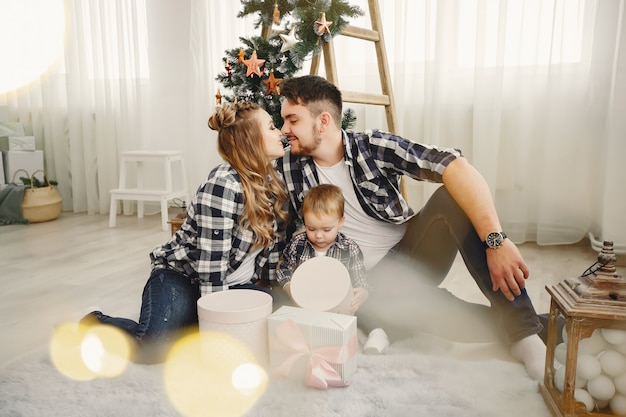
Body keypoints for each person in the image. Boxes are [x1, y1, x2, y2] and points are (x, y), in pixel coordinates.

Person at [275, 75, 548, 381]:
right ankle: (546, 328)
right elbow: (278, 235)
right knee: (441, 315)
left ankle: (524, 331)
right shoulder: (287, 166)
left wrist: (496, 242)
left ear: (323, 121)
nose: (285, 130)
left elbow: (456, 166)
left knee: (450, 199)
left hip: (414, 254)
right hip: (367, 284)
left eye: (292, 120)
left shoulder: (372, 146)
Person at [82, 102, 290, 363]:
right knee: (152, 347)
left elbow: (273, 248)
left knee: (287, 315)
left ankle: (189, 322)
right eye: (272, 127)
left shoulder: (273, 182)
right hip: (183, 277)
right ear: (252, 140)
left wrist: (266, 288)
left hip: (236, 285)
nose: (281, 132)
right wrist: (216, 333)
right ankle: (94, 322)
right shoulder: (223, 187)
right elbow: (211, 271)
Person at [276, 183, 390, 353]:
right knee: (286, 312)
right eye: (311, 228)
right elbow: (283, 269)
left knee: (362, 310)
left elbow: (360, 277)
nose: (319, 235)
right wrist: (289, 286)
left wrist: (362, 292)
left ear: (341, 222)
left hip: (339, 304)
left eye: (327, 229)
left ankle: (377, 332)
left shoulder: (348, 248)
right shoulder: (297, 244)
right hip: (307, 302)